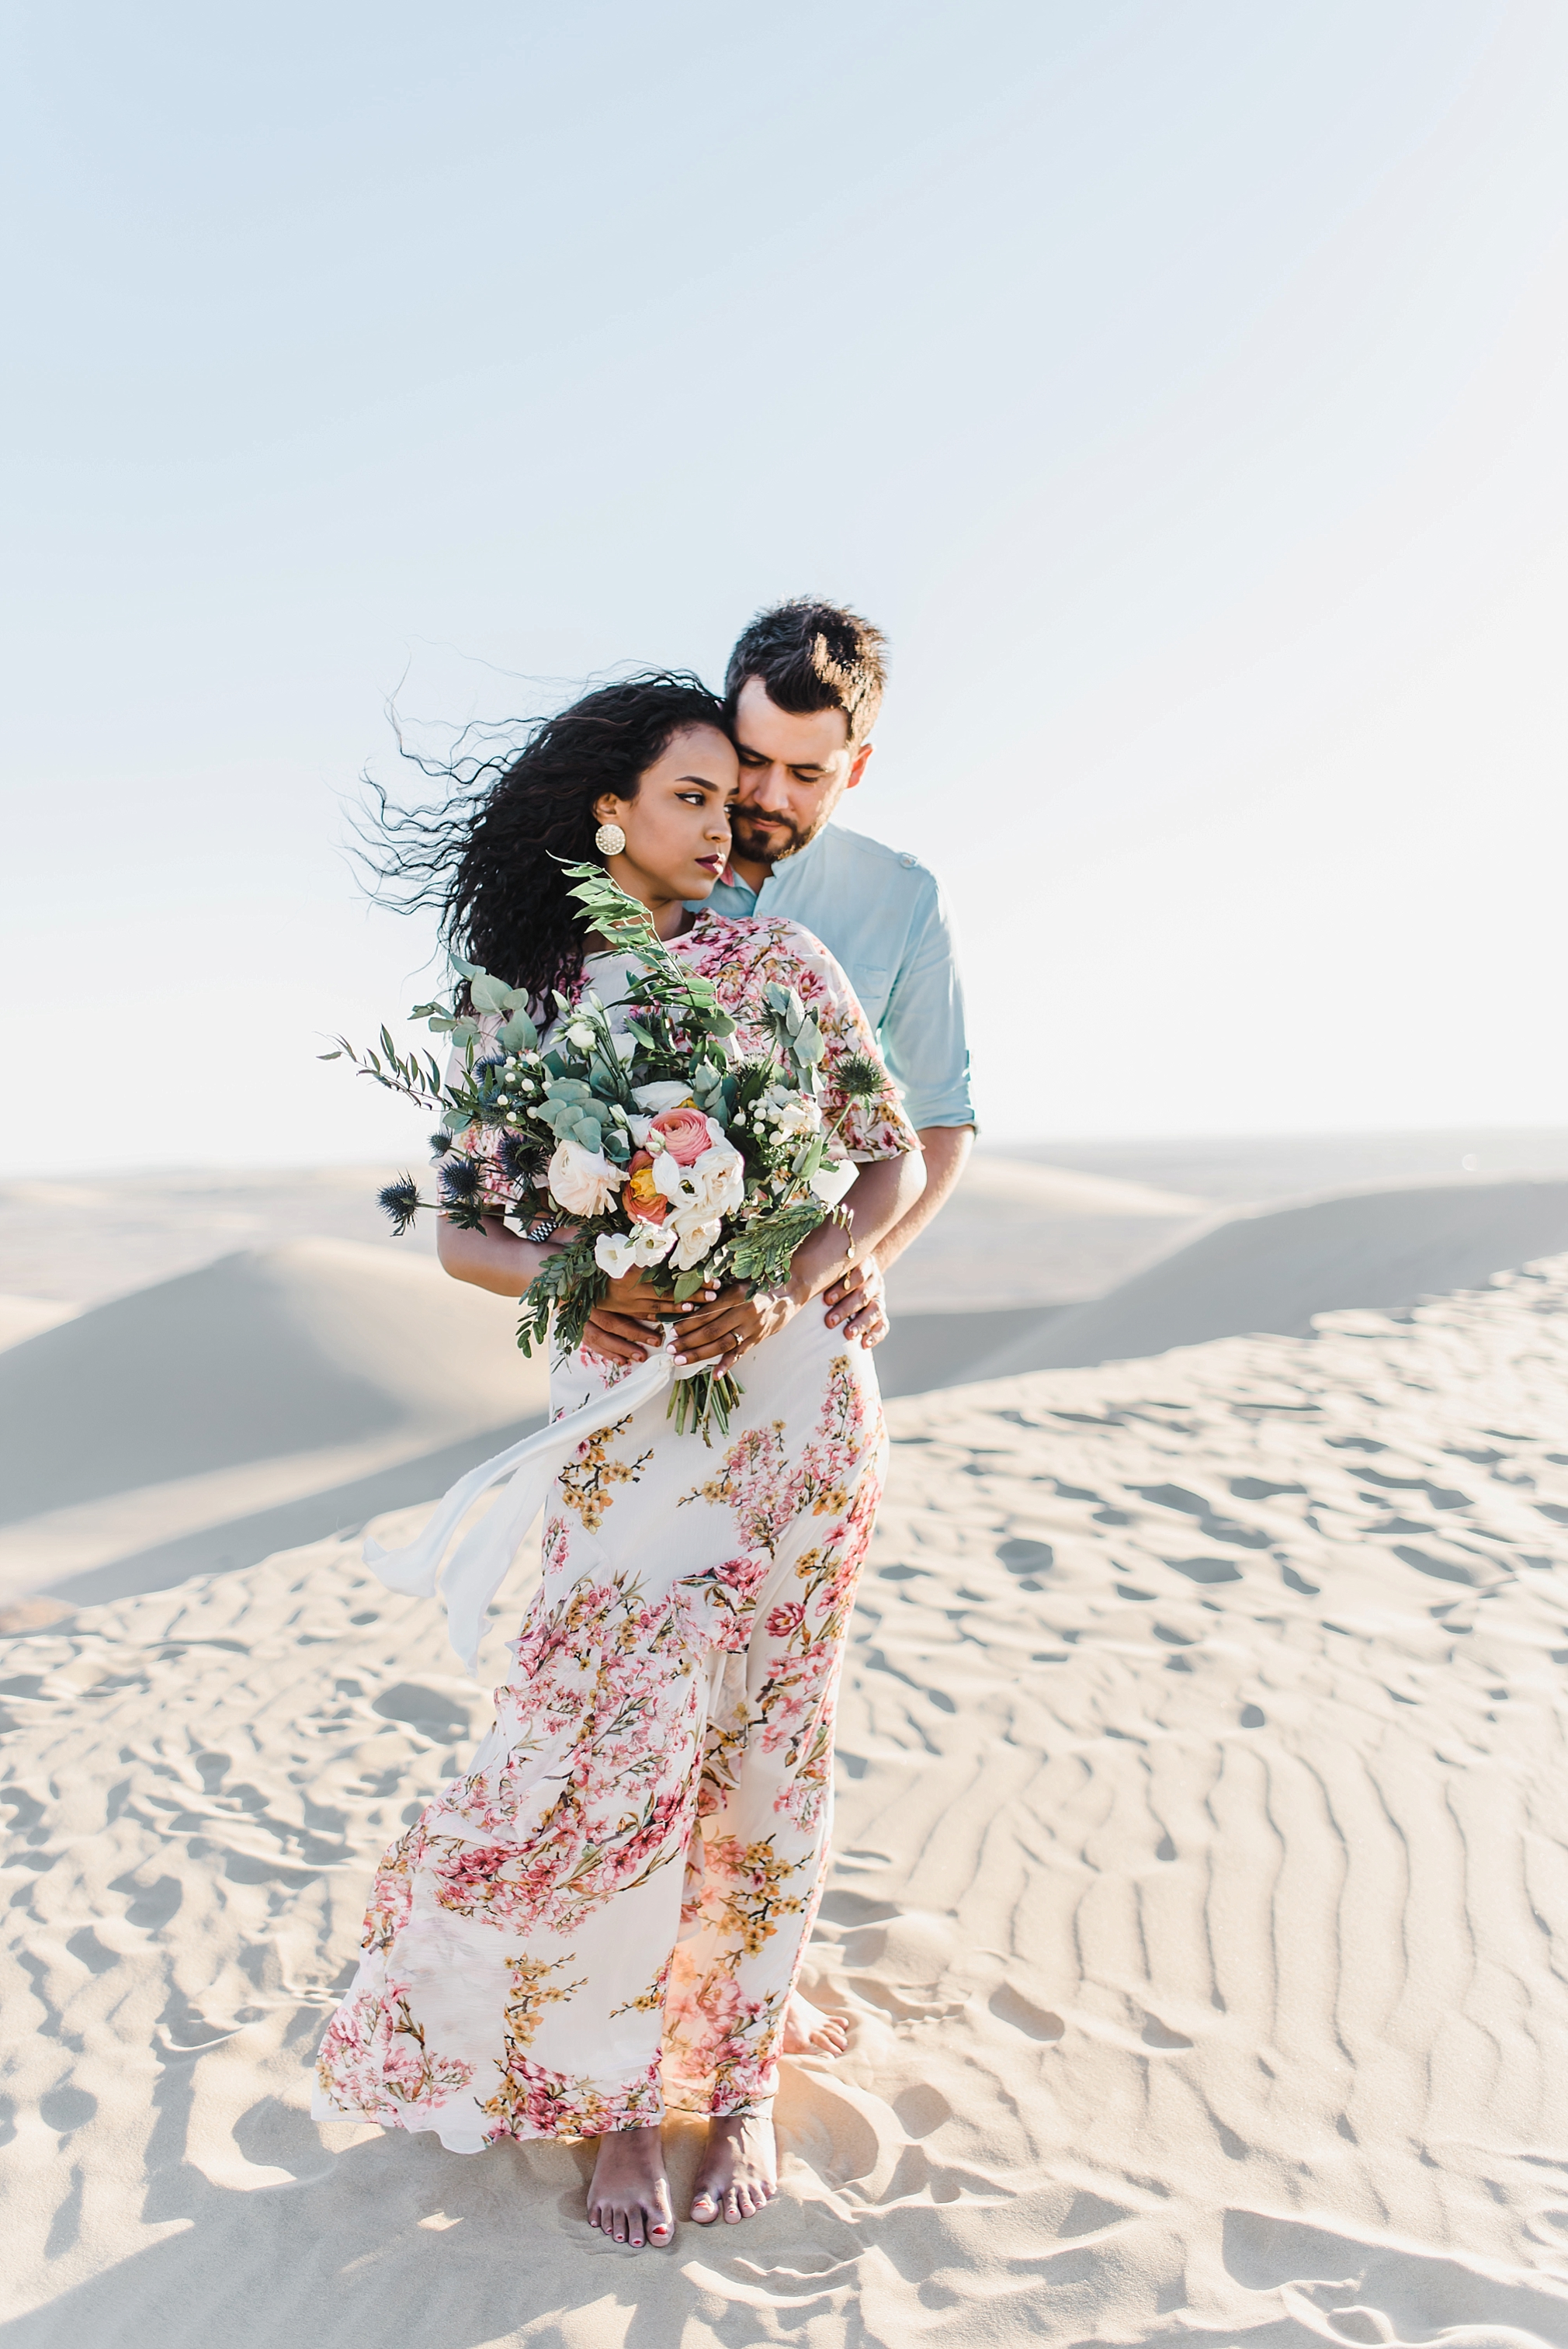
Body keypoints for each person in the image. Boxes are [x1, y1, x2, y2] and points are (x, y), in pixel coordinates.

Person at [314, 675, 925, 2247]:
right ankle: (605, 2100)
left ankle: (723, 2088)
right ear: (610, 814)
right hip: (631, 1421)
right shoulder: (532, 1000)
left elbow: (883, 1155)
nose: (729, 825)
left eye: (734, 798)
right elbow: (461, 1231)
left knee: (772, 1742)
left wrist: (797, 1275)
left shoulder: (787, 963)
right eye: (693, 796)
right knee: (613, 1757)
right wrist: (601, 1285)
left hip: (800, 1406)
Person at [585, 599, 973, 1373]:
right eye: (752, 759)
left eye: (805, 773)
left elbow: (939, 1120)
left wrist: (862, 1260)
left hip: (804, 1313)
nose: (767, 794)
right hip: (630, 1320)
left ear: (855, 766)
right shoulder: (635, 872)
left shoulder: (903, 900)